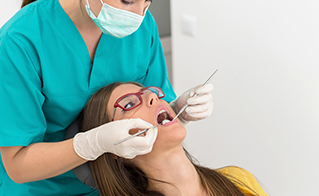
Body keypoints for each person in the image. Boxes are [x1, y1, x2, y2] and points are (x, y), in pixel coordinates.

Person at [0, 0, 214, 195]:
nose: (139, 15)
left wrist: (177, 111)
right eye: (127, 0)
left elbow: (152, 106)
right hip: (41, 187)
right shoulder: (21, 41)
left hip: (120, 182)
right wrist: (91, 145)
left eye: (148, 0)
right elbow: (18, 165)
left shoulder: (142, 28)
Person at [79, 81, 268, 196]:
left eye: (149, 93)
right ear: (116, 149)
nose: (153, 97)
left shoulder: (237, 178)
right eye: (129, 104)